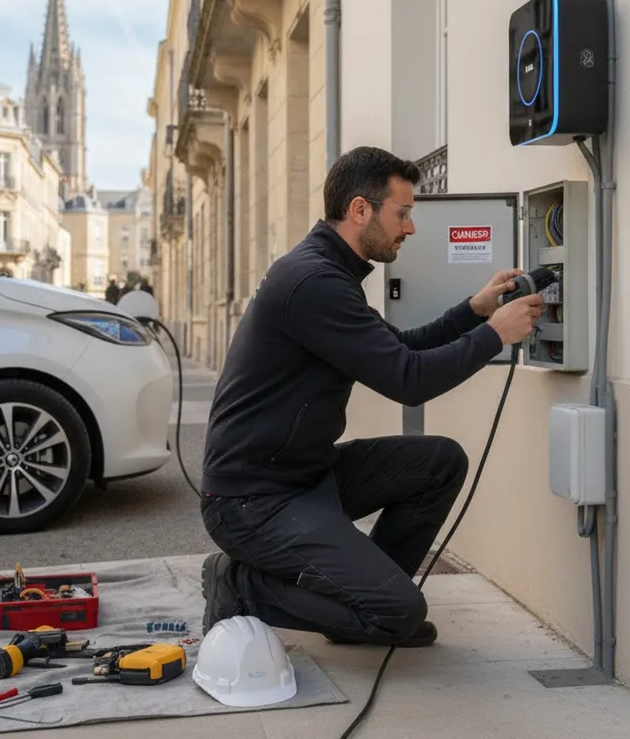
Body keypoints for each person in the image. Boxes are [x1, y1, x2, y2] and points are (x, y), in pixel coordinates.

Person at [198, 146, 543, 648]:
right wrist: (495, 335)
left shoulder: (328, 274)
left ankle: (365, 601)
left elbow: (398, 349)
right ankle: (238, 586)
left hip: (303, 476)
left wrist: (474, 311)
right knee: (397, 615)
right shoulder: (314, 282)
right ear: (361, 210)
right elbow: (410, 380)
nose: (410, 227)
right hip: (252, 500)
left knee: (439, 462)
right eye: (401, 213)